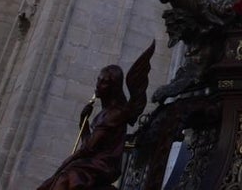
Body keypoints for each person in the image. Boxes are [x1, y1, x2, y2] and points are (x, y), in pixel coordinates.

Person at [36, 43, 154, 190]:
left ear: (113, 88)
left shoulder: (114, 114)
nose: (98, 85)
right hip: (92, 162)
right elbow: (89, 144)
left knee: (66, 177)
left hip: (104, 165)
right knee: (56, 180)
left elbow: (89, 148)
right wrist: (83, 123)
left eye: (104, 83)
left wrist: (69, 160)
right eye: (99, 80)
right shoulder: (104, 113)